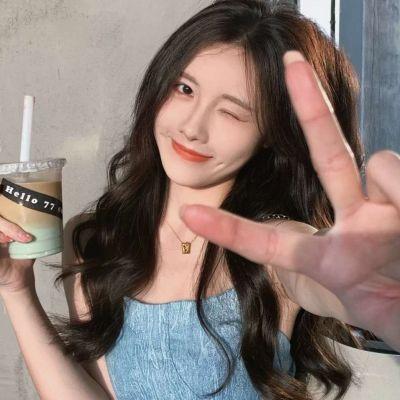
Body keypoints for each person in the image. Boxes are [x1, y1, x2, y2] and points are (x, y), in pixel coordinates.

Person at [0, 0, 398, 399]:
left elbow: (325, 272)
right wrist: (16, 290)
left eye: (231, 112)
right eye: (185, 89)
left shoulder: (276, 247)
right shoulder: (94, 237)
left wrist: (371, 274)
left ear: (271, 134)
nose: (192, 127)